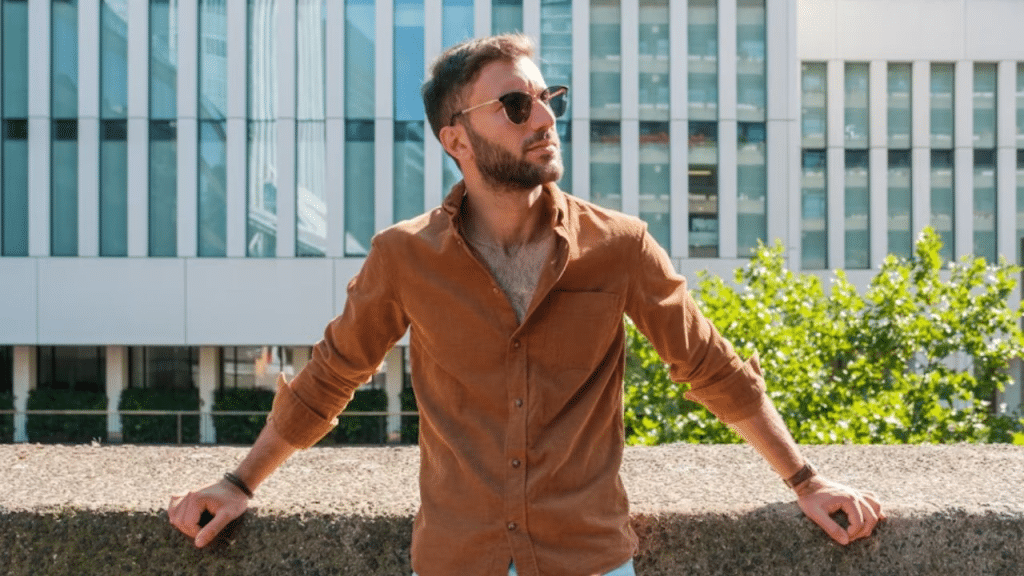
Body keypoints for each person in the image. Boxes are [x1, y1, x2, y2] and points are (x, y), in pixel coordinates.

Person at [169, 34, 884, 576]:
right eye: (516, 105)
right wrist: (237, 483)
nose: (543, 117)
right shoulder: (404, 257)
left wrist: (807, 481)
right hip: (457, 560)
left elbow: (710, 366)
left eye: (549, 98)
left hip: (591, 561)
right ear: (457, 139)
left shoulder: (621, 246)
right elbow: (330, 378)